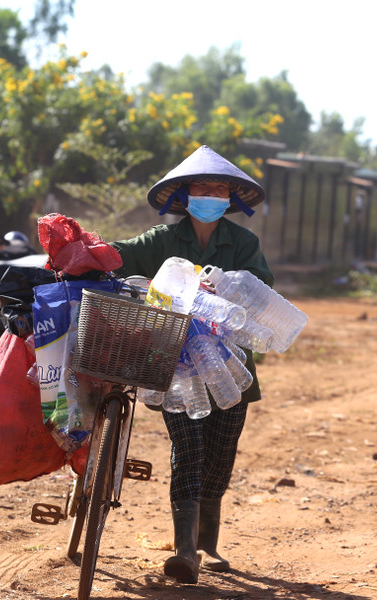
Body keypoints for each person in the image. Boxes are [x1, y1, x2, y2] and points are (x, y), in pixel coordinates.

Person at [111, 145, 272, 584]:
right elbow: (119, 254)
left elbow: (262, 288)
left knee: (221, 454)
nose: (211, 193)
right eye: (203, 186)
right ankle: (184, 550)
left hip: (230, 367)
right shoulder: (161, 240)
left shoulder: (243, 243)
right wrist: (84, 249)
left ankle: (208, 543)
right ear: (184, 195)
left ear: (231, 199)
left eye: (219, 188)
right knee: (189, 450)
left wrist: (228, 289)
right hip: (174, 365)